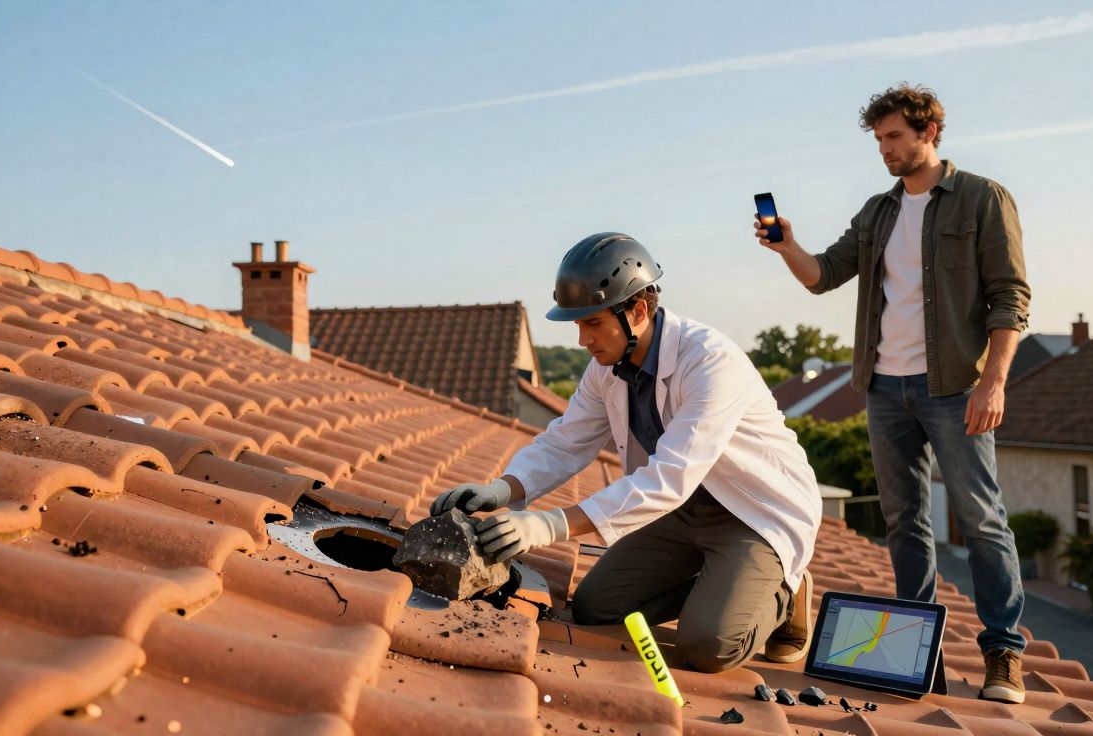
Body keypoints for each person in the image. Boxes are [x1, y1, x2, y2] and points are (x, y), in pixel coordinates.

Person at [429, 233, 823, 673]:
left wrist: (549, 524)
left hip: (752, 515)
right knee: (598, 608)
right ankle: (721, 585)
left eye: (592, 323)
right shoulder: (607, 369)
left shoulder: (710, 362)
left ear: (637, 311)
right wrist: (502, 490)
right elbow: (565, 441)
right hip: (678, 512)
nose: (582, 340)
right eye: (577, 325)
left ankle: (785, 593)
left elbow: (670, 477)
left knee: (708, 645)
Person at [754, 83, 1030, 703]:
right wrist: (786, 246)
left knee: (982, 520)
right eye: (878, 139)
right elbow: (823, 276)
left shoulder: (983, 199)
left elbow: (1010, 295)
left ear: (929, 132)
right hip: (882, 388)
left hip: (956, 388)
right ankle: (916, 649)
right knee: (904, 521)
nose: (884, 149)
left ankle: (1003, 653)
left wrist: (995, 381)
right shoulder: (878, 212)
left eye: (895, 137)